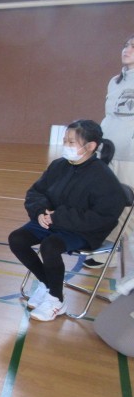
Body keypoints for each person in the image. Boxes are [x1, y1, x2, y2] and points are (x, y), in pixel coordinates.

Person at [8, 120, 126, 322]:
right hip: (52, 221)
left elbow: (103, 217)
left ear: (90, 146)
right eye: (65, 141)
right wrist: (39, 212)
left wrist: (58, 217)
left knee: (50, 246)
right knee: (17, 239)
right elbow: (36, 192)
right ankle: (48, 284)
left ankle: (56, 299)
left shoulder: (103, 177)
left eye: (71, 142)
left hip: (83, 230)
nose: (66, 145)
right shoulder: (59, 165)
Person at [84, 34, 134, 271]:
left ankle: (119, 255)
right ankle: (107, 252)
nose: (127, 49)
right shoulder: (115, 82)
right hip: (108, 153)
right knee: (105, 203)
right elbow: (110, 116)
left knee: (127, 206)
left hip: (130, 157)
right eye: (126, 45)